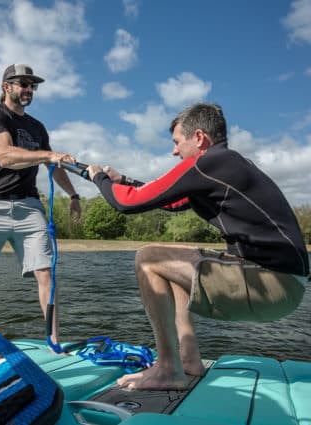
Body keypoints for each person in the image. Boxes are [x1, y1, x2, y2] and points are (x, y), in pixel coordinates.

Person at [85, 103, 308, 390]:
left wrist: (98, 179)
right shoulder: (224, 165)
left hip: (273, 284)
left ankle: (168, 368)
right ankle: (188, 360)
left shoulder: (209, 164)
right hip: (285, 284)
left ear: (199, 138)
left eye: (177, 143)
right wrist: (122, 180)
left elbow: (127, 203)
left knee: (148, 258)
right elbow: (169, 199)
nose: (174, 151)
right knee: (172, 264)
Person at [0, 64, 82, 345]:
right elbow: (5, 156)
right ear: (6, 86)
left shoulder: (37, 127)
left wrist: (73, 196)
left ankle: (53, 343)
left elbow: (53, 165)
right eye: (23, 83)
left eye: (32, 85)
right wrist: (48, 154)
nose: (29, 89)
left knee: (46, 274)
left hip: (29, 208)